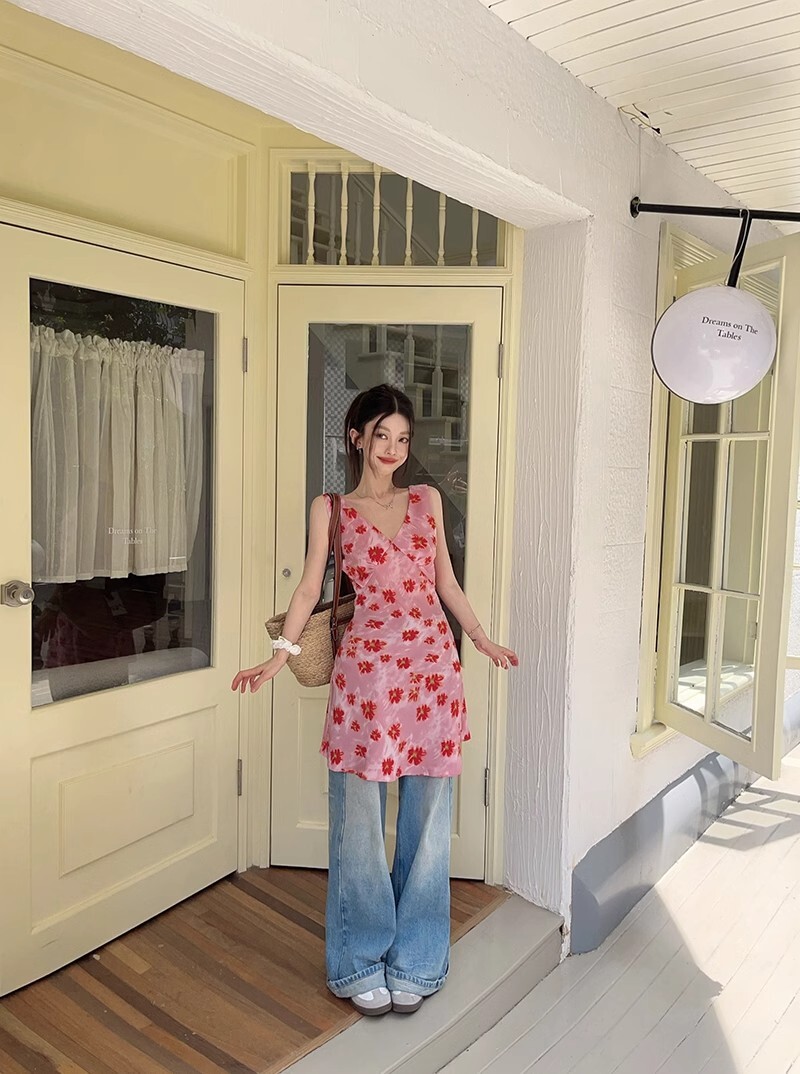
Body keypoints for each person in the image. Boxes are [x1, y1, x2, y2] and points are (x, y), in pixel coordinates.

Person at [231, 384, 518, 1017]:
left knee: (429, 823)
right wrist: (279, 655)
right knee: (358, 824)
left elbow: (446, 583)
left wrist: (482, 639)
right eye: (381, 435)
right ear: (357, 437)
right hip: (365, 681)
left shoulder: (427, 501)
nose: (392, 449)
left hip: (432, 674)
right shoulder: (331, 509)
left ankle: (417, 960)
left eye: (403, 438)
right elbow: (309, 588)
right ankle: (359, 960)